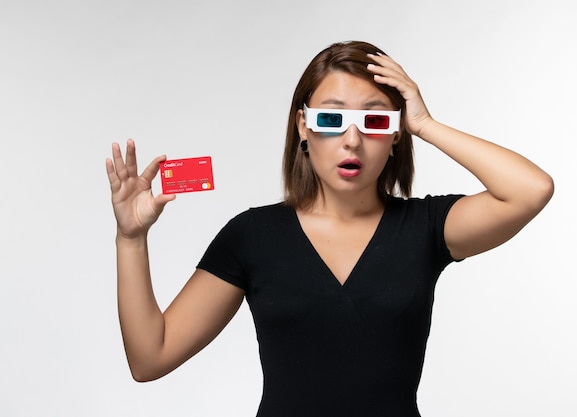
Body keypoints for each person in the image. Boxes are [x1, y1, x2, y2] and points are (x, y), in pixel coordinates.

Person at [106, 41, 554, 416]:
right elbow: (150, 358)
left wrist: (425, 124)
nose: (352, 139)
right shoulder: (252, 235)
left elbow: (530, 190)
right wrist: (131, 238)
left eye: (375, 120)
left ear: (395, 134)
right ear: (303, 126)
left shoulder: (426, 228)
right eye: (331, 118)